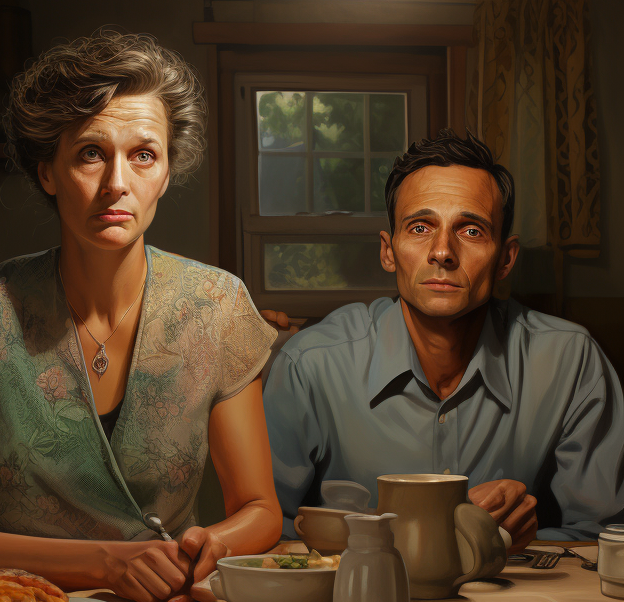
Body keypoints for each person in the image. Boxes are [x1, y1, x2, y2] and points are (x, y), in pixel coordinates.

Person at [0, 30, 282, 602]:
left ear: (166, 173)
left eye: (144, 155)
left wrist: (207, 545)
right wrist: (107, 565)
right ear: (47, 172)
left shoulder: (216, 306)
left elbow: (260, 510)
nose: (117, 183)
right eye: (91, 153)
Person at [262, 130, 624, 546]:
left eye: (471, 231)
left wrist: (524, 538)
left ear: (505, 258)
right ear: (388, 251)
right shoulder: (311, 365)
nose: (442, 252)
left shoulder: (570, 361)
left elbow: (603, 536)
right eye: (420, 227)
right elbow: (266, 529)